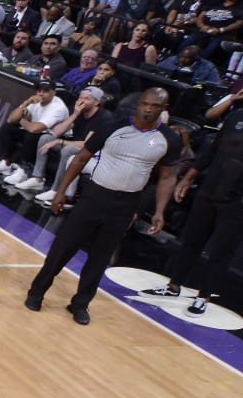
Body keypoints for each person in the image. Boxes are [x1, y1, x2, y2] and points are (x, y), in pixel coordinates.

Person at [26, 87, 186, 324]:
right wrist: (61, 192)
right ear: (139, 103)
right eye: (145, 103)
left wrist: (160, 211)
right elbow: (81, 158)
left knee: (101, 256)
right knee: (64, 246)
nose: (149, 108)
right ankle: (37, 291)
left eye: (155, 106)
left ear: (164, 109)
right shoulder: (114, 126)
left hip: (126, 203)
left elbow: (167, 177)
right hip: (95, 195)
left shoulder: (169, 139)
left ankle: (80, 303)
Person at [141, 83, 243, 316]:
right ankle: (173, 286)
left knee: (220, 252)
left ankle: (203, 297)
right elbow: (212, 150)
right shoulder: (236, 115)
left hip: (236, 202)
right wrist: (187, 179)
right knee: (190, 242)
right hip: (210, 190)